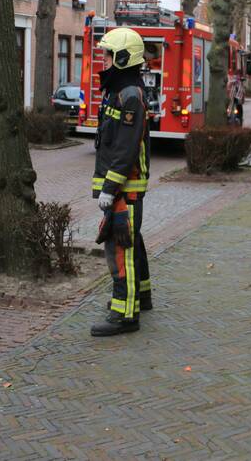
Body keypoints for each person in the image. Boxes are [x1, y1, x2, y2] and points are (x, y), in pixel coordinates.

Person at [91, 27, 152, 337]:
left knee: (120, 247)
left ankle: (124, 314)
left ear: (124, 58)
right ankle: (141, 297)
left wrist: (109, 188)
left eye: (109, 55)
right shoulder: (120, 91)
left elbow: (125, 149)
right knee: (133, 241)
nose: (105, 60)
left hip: (125, 188)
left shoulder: (130, 96)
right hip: (123, 186)